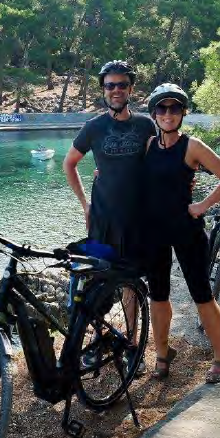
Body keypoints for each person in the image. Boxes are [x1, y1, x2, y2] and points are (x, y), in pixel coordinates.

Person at [63, 60, 156, 373]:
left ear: (130, 88)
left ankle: (132, 347)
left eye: (121, 85)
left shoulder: (146, 125)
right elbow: (70, 163)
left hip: (137, 220)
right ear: (103, 90)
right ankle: (101, 338)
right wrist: (84, 205)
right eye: (109, 85)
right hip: (102, 220)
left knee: (131, 284)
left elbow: (157, 163)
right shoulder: (94, 127)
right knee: (97, 284)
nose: (116, 90)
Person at [143, 83, 220, 384]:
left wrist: (203, 205)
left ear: (183, 113)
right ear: (154, 113)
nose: (168, 114)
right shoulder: (148, 145)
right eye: (162, 108)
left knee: (202, 295)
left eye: (174, 108)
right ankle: (162, 354)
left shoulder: (192, 146)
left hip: (187, 230)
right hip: (155, 230)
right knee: (158, 296)